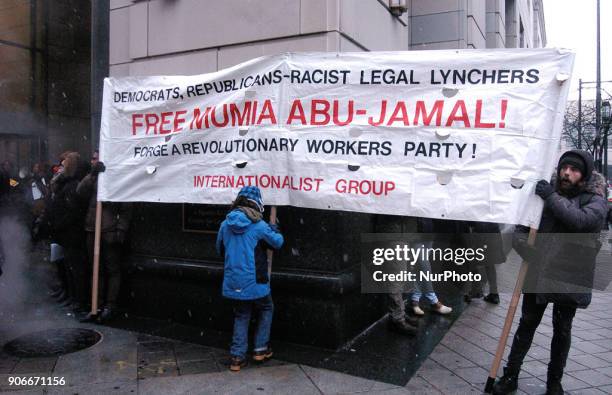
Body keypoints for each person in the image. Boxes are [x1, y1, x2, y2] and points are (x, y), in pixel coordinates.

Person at [492, 150, 608, 395]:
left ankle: (554, 382)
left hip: (569, 274)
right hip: (538, 271)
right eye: (564, 167)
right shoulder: (544, 193)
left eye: (574, 170)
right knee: (527, 324)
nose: (567, 173)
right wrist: (526, 248)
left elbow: (580, 222)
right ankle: (510, 375)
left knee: (562, 329)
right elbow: (521, 228)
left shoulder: (594, 198)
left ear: (584, 175)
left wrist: (551, 196)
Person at [216, 186, 284, 372]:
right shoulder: (259, 225)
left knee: (241, 314)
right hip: (256, 280)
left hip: (234, 280)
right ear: (257, 204)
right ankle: (260, 349)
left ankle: (237, 357)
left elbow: (219, 250)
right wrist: (274, 228)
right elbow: (277, 242)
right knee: (266, 308)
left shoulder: (225, 224)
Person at [77, 152, 132, 323]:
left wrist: (121, 229)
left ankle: (110, 306)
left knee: (112, 269)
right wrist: (92, 175)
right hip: (92, 229)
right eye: (92, 158)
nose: (94, 160)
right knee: (96, 270)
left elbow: (126, 206)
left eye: (97, 158)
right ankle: (96, 305)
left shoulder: (117, 176)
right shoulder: (93, 178)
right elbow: (80, 192)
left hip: (109, 230)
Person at [48, 152, 90, 315]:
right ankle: (72, 297)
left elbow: (73, 212)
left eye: (64, 164)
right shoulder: (66, 184)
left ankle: (78, 300)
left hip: (72, 234)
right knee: (68, 268)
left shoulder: (72, 186)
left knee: (75, 269)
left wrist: (59, 223)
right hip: (65, 234)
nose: (60, 167)